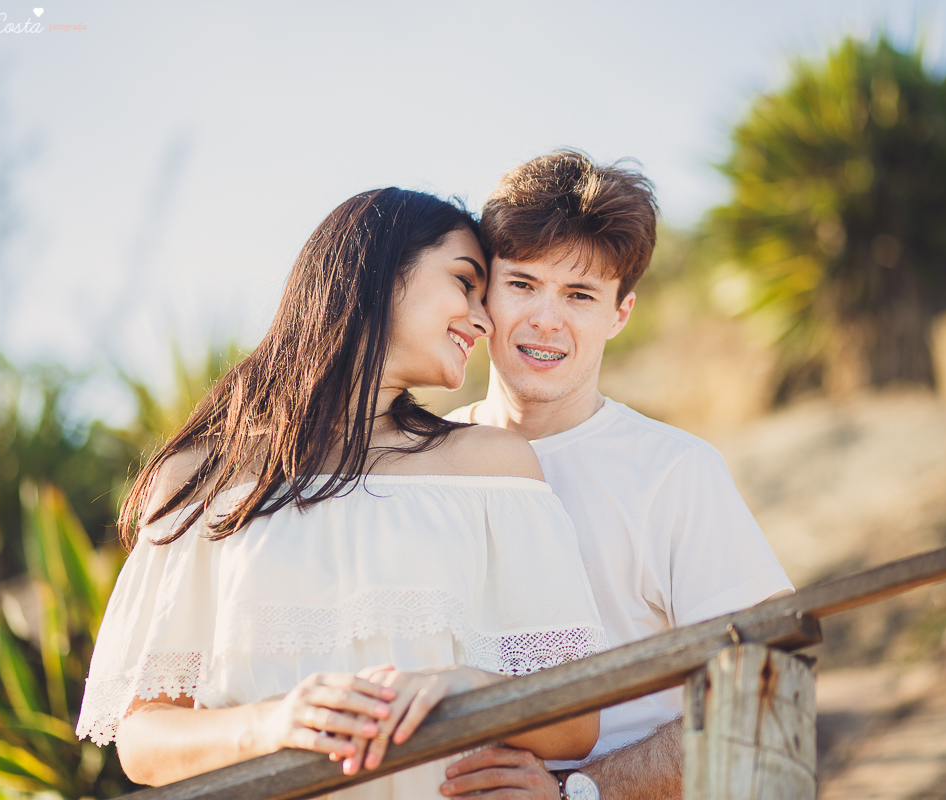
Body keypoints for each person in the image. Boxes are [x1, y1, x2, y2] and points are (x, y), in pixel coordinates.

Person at [75, 188, 608, 799]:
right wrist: (268, 725)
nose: (484, 319)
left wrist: (469, 687)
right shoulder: (201, 480)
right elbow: (143, 743)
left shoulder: (494, 469)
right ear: (377, 271)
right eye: (465, 282)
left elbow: (576, 721)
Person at [440, 151, 794, 800]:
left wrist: (580, 789)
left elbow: (767, 685)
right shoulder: (418, 460)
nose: (547, 319)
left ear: (620, 314)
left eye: (580, 295)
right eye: (523, 284)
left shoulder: (675, 472)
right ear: (484, 291)